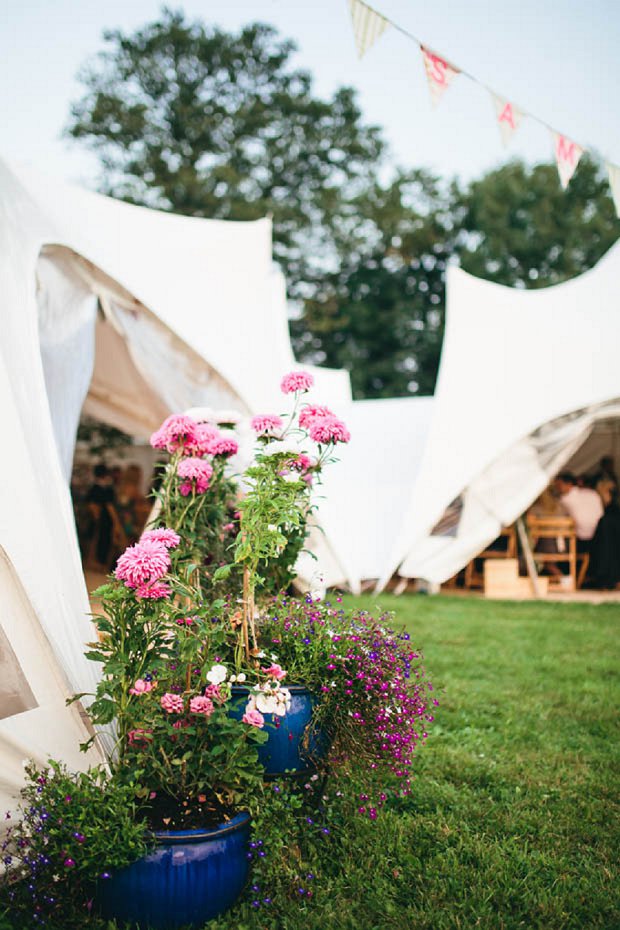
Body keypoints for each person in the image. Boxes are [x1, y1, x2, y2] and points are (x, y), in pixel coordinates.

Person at [553, 473, 604, 551]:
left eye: (559, 485)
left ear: (569, 484)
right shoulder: (592, 493)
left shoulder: (564, 500)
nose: (557, 488)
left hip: (582, 539)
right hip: (600, 536)